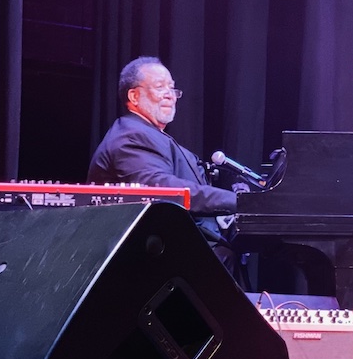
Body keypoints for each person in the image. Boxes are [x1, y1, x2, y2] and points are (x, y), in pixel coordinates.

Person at [88, 56, 242, 277]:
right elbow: (164, 190)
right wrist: (237, 202)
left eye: (172, 88)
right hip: (150, 264)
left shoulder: (151, 135)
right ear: (134, 96)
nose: (170, 95)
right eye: (160, 87)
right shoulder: (131, 136)